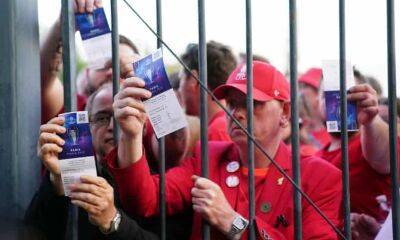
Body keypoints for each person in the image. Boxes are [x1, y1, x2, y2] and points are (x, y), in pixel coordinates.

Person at [106, 61, 343, 239]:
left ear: (285, 113)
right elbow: (144, 200)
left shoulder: (320, 177)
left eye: (252, 103)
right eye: (232, 103)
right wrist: (132, 135)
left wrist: (234, 223)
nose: (237, 113)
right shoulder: (209, 155)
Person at [25, 83, 159, 239]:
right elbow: (33, 232)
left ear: (143, 127)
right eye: (102, 118)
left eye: (124, 116)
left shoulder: (158, 179)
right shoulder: (74, 171)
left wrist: (113, 220)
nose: (111, 126)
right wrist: (57, 182)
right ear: (87, 127)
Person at [40, 0, 139, 123]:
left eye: (123, 67)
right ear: (87, 73)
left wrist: (148, 76)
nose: (111, 73)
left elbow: (169, 130)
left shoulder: (146, 114)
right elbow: (41, 82)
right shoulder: (72, 105)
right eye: (103, 65)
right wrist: (62, 26)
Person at [316, 82, 400, 222]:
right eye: (328, 95)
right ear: (317, 102)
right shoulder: (313, 158)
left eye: (350, 95)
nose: (339, 102)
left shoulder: (371, 143)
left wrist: (371, 120)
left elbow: (386, 158)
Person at [179, 41, 237, 142]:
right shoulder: (223, 125)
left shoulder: (217, 131)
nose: (179, 90)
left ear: (194, 79)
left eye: (181, 79)